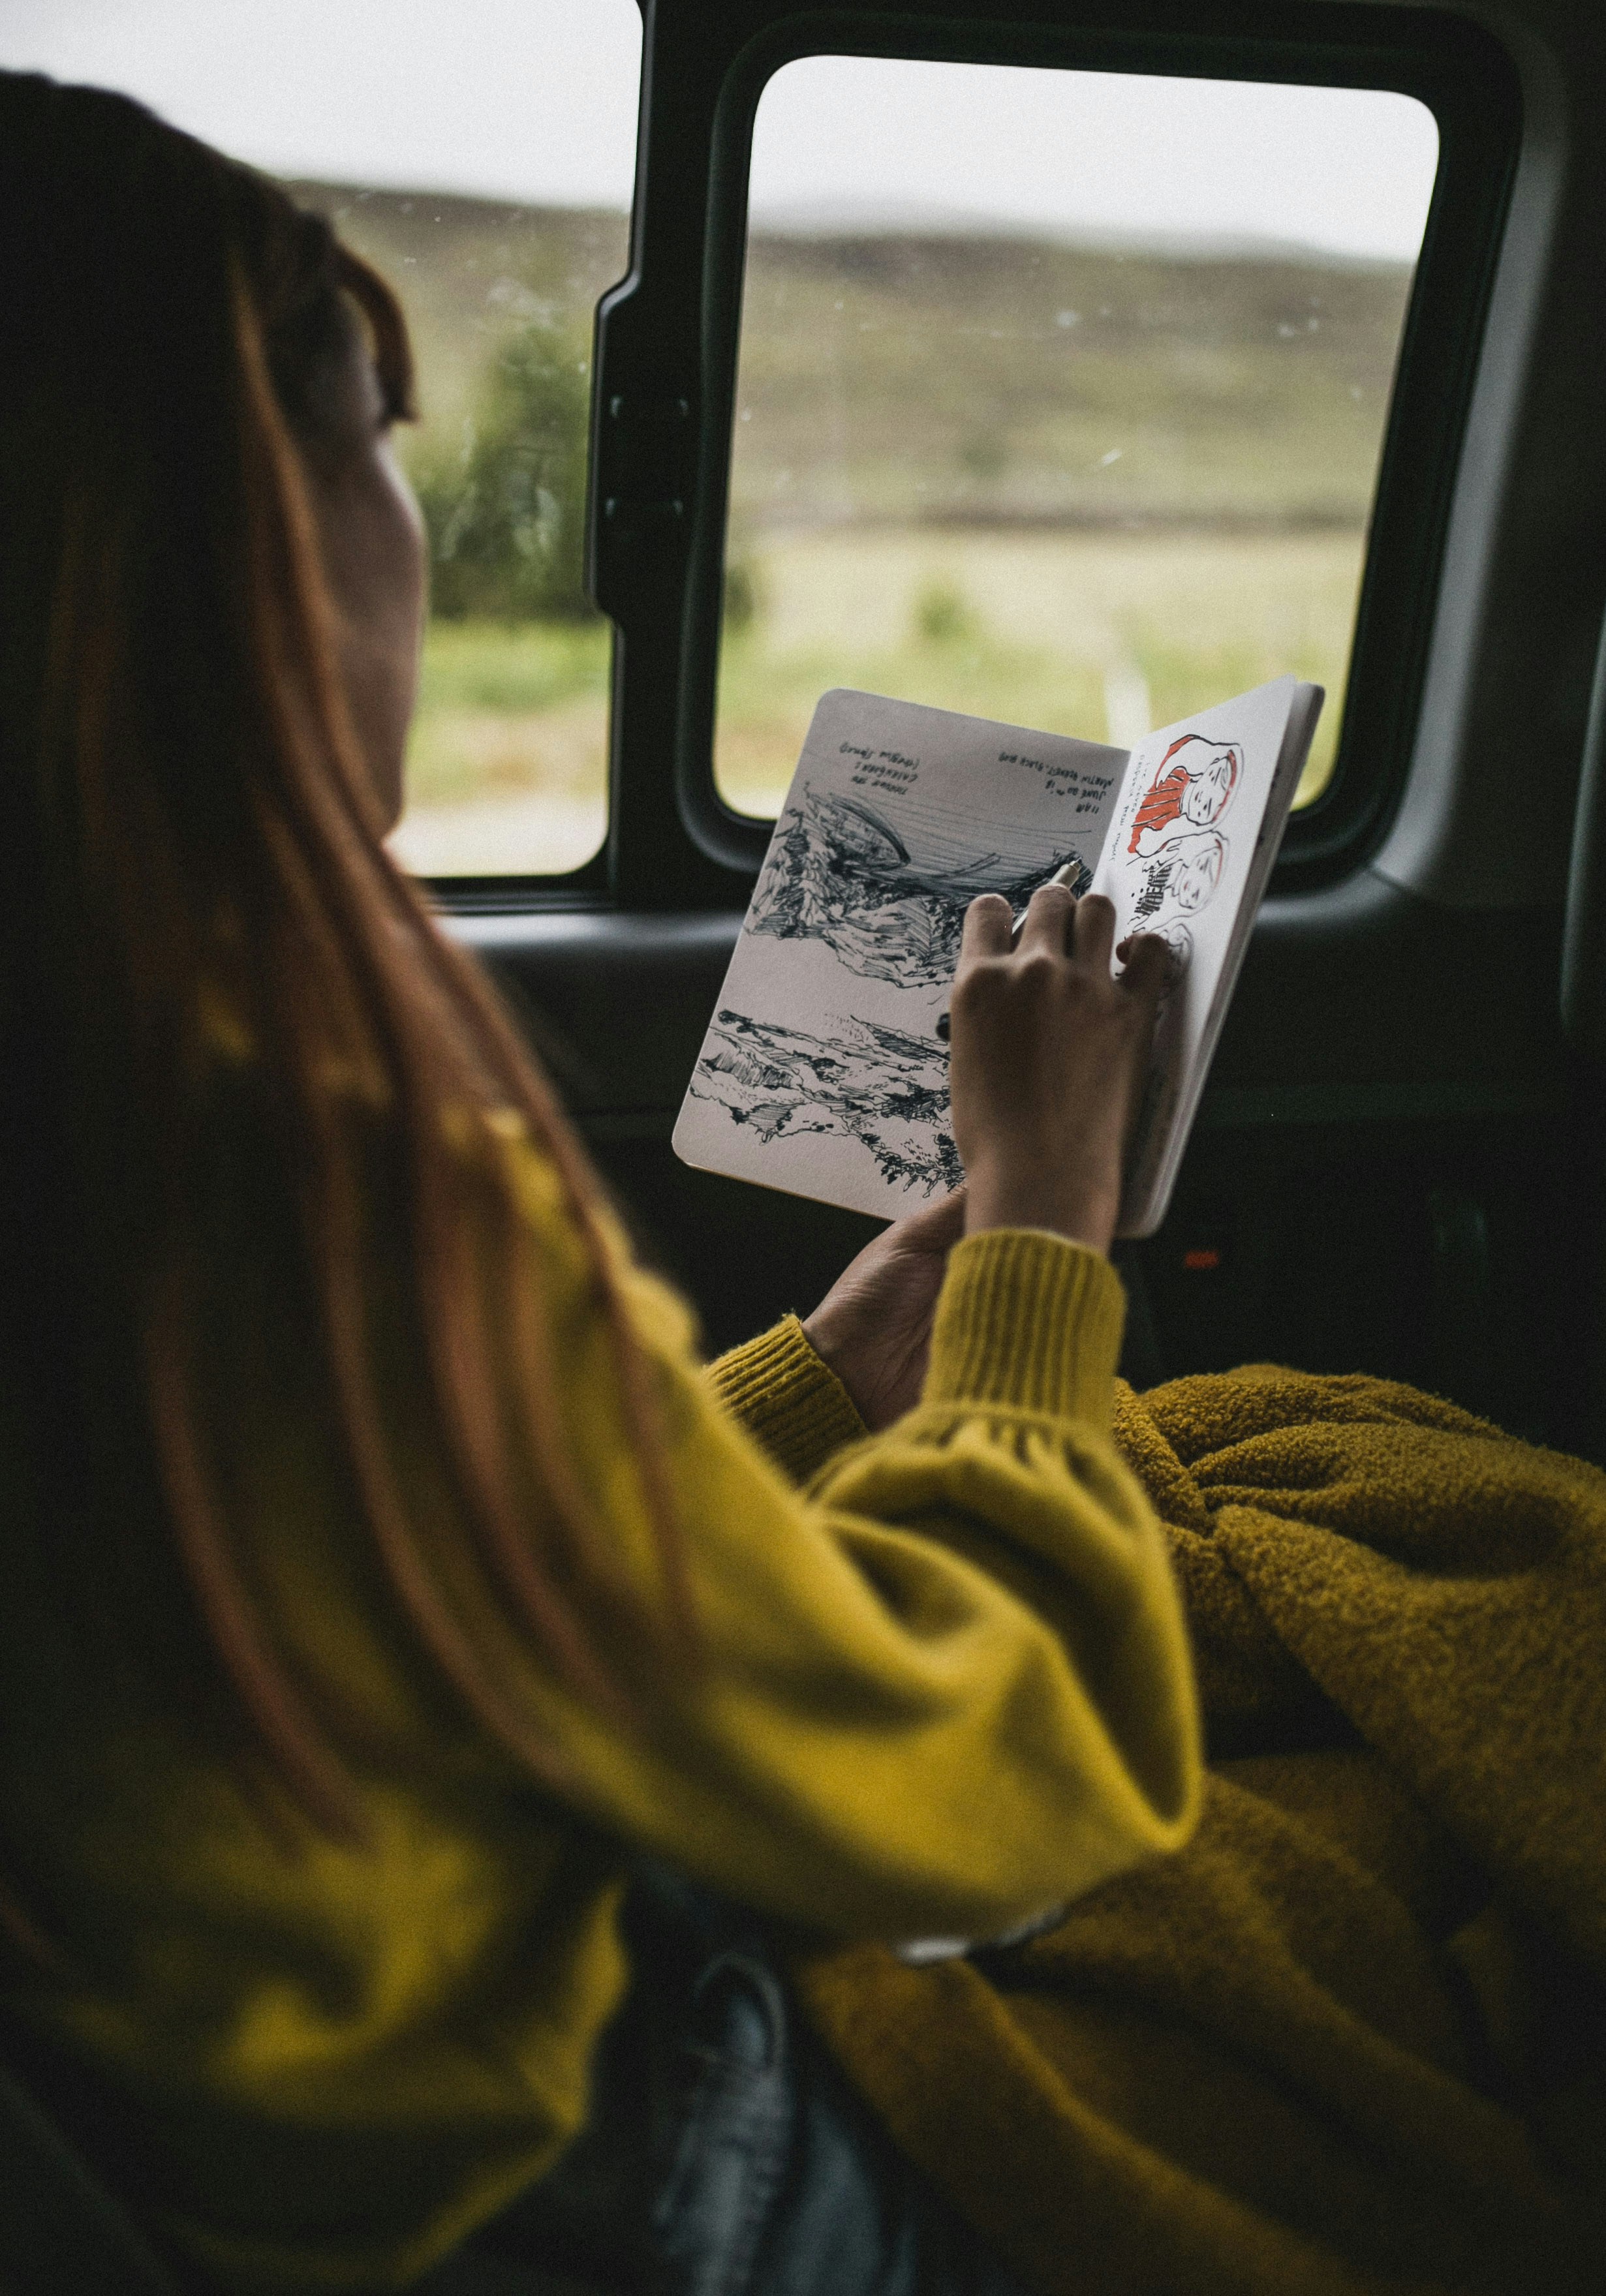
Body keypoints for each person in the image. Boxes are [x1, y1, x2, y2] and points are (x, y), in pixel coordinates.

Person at [0, 74, 1200, 2296]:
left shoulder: (94, 1135)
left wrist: (813, 1383)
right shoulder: (341, 1219)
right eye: (373, 430)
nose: (414, 516)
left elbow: (424, 1580)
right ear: (216, 521)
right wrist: (1040, 1235)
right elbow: (998, 1800)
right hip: (576, 2204)